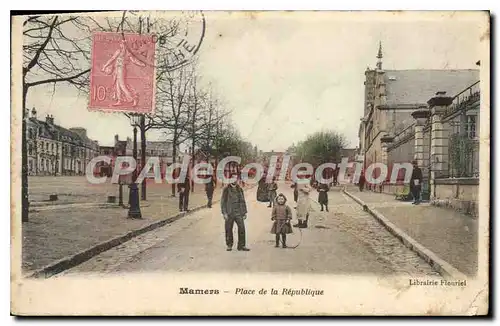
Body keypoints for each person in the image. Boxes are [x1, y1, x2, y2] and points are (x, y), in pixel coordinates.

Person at [221, 176, 250, 251]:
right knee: (228, 229)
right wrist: (224, 213)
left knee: (242, 228)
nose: (234, 180)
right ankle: (229, 245)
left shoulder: (239, 189)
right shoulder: (226, 189)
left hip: (238, 212)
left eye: (236, 179)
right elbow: (223, 202)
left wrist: (244, 212)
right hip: (229, 212)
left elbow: (243, 201)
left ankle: (241, 245)